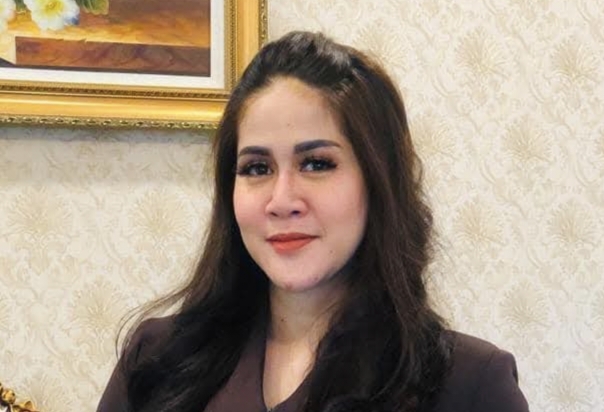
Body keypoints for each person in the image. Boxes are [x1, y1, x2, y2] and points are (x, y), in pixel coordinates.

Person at [97, 31, 529, 412]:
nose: (282, 201)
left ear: (379, 182)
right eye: (257, 168)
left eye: (317, 163)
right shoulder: (157, 359)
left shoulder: (469, 384)